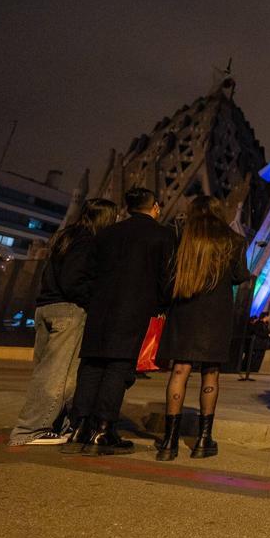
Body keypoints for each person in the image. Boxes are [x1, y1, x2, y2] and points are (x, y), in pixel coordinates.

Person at [63, 187, 176, 456]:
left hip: (100, 310)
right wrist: (160, 305)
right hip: (134, 311)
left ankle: (79, 427)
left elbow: (88, 273)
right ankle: (104, 428)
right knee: (117, 367)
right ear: (155, 207)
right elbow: (166, 278)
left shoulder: (106, 233)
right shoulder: (163, 236)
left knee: (91, 365)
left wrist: (95, 300)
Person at [8, 198, 119, 446]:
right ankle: (31, 430)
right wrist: (93, 301)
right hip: (68, 311)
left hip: (46, 307)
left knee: (48, 372)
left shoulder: (65, 237)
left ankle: (54, 425)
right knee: (57, 375)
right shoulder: (88, 240)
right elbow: (74, 280)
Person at [153, 196, 251, 461]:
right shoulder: (234, 240)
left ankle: (169, 443)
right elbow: (241, 275)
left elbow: (168, 274)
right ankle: (203, 440)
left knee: (180, 370)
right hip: (216, 312)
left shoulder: (183, 236)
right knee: (211, 373)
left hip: (186, 307)